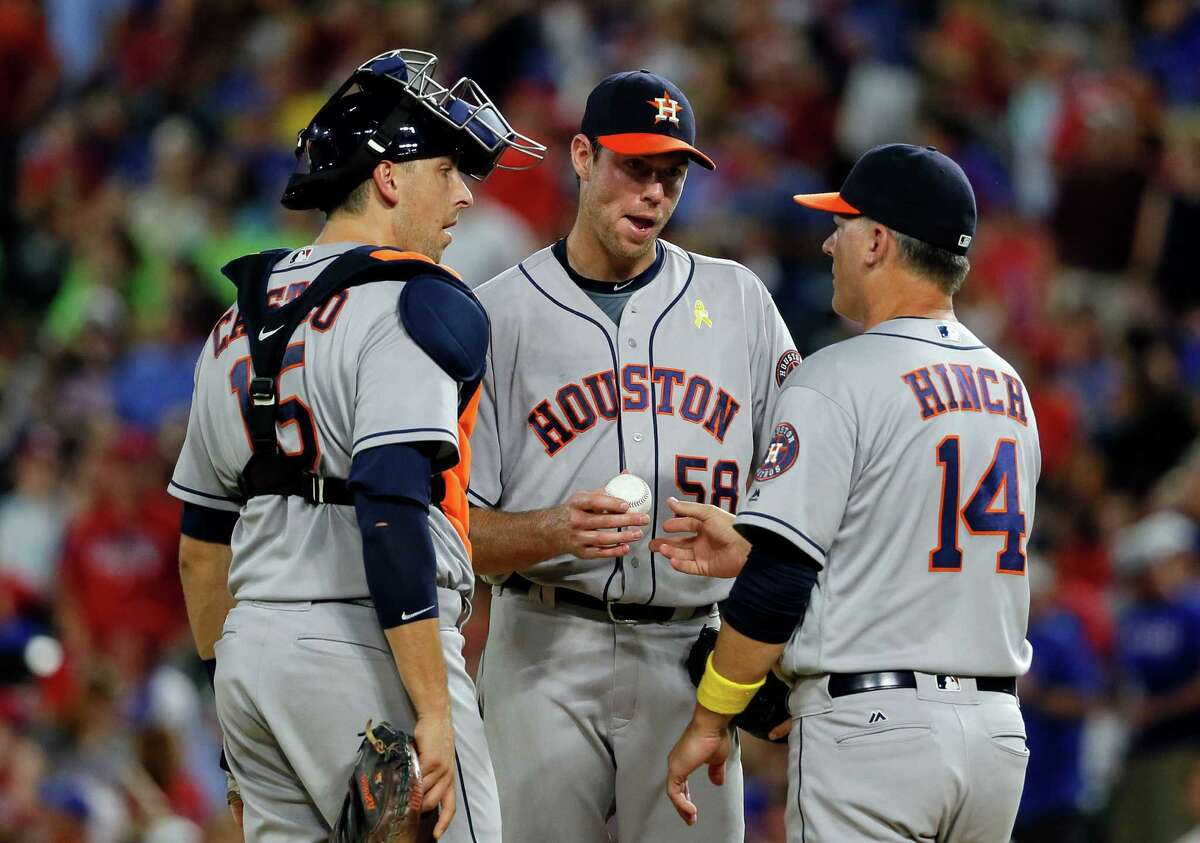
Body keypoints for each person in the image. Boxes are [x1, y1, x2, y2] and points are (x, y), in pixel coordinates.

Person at [168, 49, 543, 842]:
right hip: (366, 649)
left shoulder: (233, 322)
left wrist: (232, 702)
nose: (465, 194)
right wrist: (434, 708)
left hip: (249, 658)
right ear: (389, 177)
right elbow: (390, 501)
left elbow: (202, 547)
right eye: (447, 170)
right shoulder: (414, 299)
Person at [657, 143, 1041, 842]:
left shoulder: (838, 376)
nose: (829, 241)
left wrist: (710, 716)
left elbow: (781, 582)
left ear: (878, 241)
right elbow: (904, 544)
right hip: (996, 736)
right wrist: (750, 546)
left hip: (875, 735)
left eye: (843, 223)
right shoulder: (1009, 387)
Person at [466, 69, 799, 842]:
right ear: (581, 156)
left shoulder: (741, 302)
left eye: (670, 176)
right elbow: (453, 529)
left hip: (692, 653)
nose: (652, 193)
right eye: (634, 168)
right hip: (543, 648)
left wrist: (757, 562)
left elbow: (805, 483)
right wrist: (551, 531)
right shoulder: (496, 314)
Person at [1110, 510, 1200, 843]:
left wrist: (1155, 710)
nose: (1154, 573)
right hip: (1138, 747)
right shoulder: (1135, 613)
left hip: (1184, 747)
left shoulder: (1192, 610)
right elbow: (1121, 676)